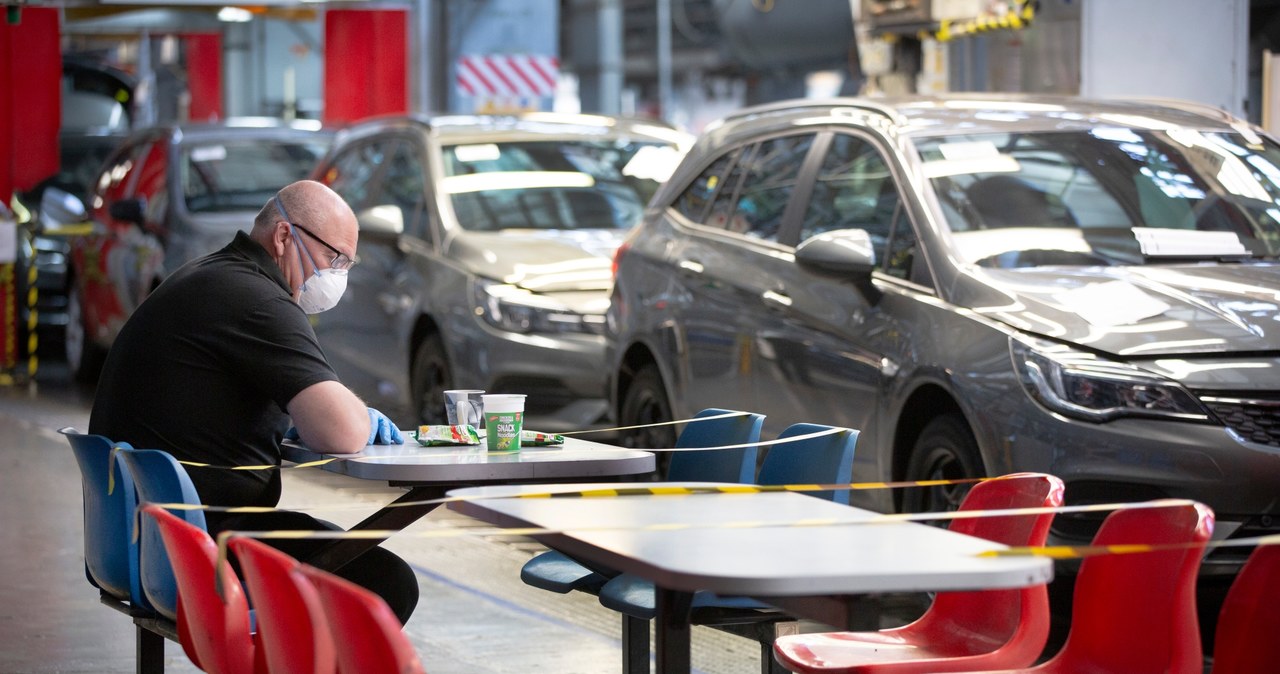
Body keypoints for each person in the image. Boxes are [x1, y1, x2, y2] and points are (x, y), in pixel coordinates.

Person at [89, 180, 418, 623]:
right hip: (201, 543)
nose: (338, 275)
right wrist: (358, 414)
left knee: (349, 557)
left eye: (347, 264)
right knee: (385, 583)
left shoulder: (208, 276)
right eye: (333, 258)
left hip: (142, 537)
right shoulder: (258, 298)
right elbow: (341, 433)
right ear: (284, 236)